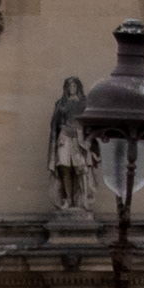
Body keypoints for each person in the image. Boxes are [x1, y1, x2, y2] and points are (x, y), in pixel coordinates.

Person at [49, 75, 100, 217]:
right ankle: (68, 198)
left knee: (80, 169)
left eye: (74, 85)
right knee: (64, 167)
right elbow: (54, 124)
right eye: (69, 86)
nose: (72, 88)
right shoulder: (61, 104)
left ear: (78, 87)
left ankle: (82, 200)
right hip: (64, 137)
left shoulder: (85, 103)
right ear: (66, 88)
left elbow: (91, 124)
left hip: (80, 139)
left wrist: (89, 140)